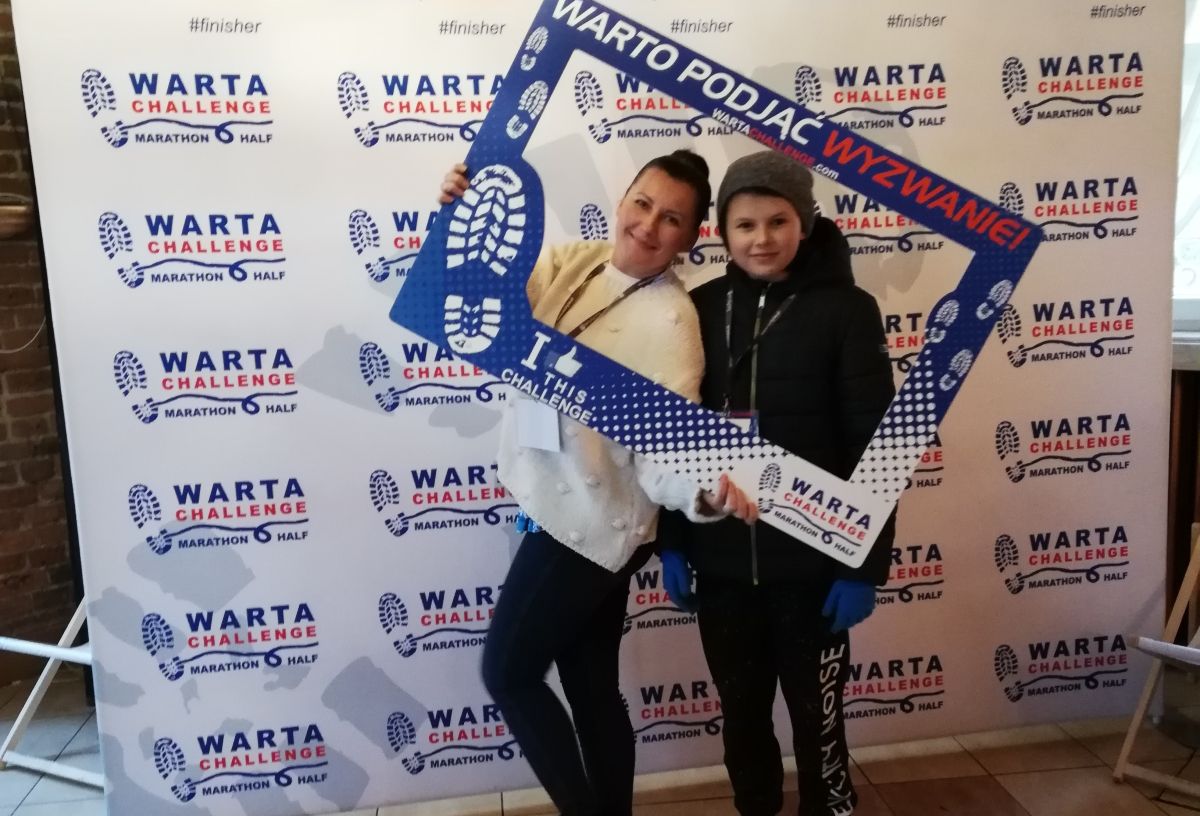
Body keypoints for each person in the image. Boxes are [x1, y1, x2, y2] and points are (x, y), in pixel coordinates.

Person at [437, 150, 758, 816]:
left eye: (671, 219)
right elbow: (491, 297)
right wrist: (462, 220)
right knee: (589, 686)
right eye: (642, 203)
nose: (648, 225)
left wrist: (702, 493)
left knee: (508, 673)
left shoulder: (673, 323)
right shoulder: (576, 261)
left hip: (594, 524)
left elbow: (666, 455)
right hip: (552, 500)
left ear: (690, 237)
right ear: (623, 200)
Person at [657, 150, 896, 816]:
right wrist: (673, 540)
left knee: (819, 722)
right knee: (741, 718)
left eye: (777, 221)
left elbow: (877, 449)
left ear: (805, 223)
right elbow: (674, 440)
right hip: (723, 569)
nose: (761, 239)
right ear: (722, 231)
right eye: (744, 225)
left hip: (813, 573)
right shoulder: (699, 308)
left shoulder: (848, 310)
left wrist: (862, 567)